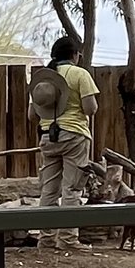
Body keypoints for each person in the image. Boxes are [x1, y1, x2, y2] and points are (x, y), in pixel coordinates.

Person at [36, 37, 100, 227]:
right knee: (71, 189)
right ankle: (67, 238)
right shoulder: (80, 74)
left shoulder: (43, 78)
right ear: (75, 55)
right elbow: (90, 109)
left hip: (48, 136)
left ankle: (46, 237)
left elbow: (32, 114)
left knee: (48, 191)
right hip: (74, 136)